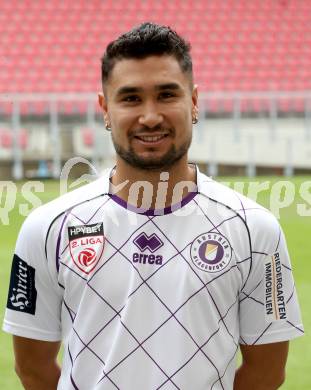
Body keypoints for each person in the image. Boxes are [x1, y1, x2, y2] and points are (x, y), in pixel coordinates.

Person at [3, 22, 303, 390]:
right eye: (130, 98)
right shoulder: (47, 227)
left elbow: (267, 371)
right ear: (105, 109)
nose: (149, 116)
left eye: (166, 95)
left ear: (193, 102)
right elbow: (32, 367)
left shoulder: (255, 229)